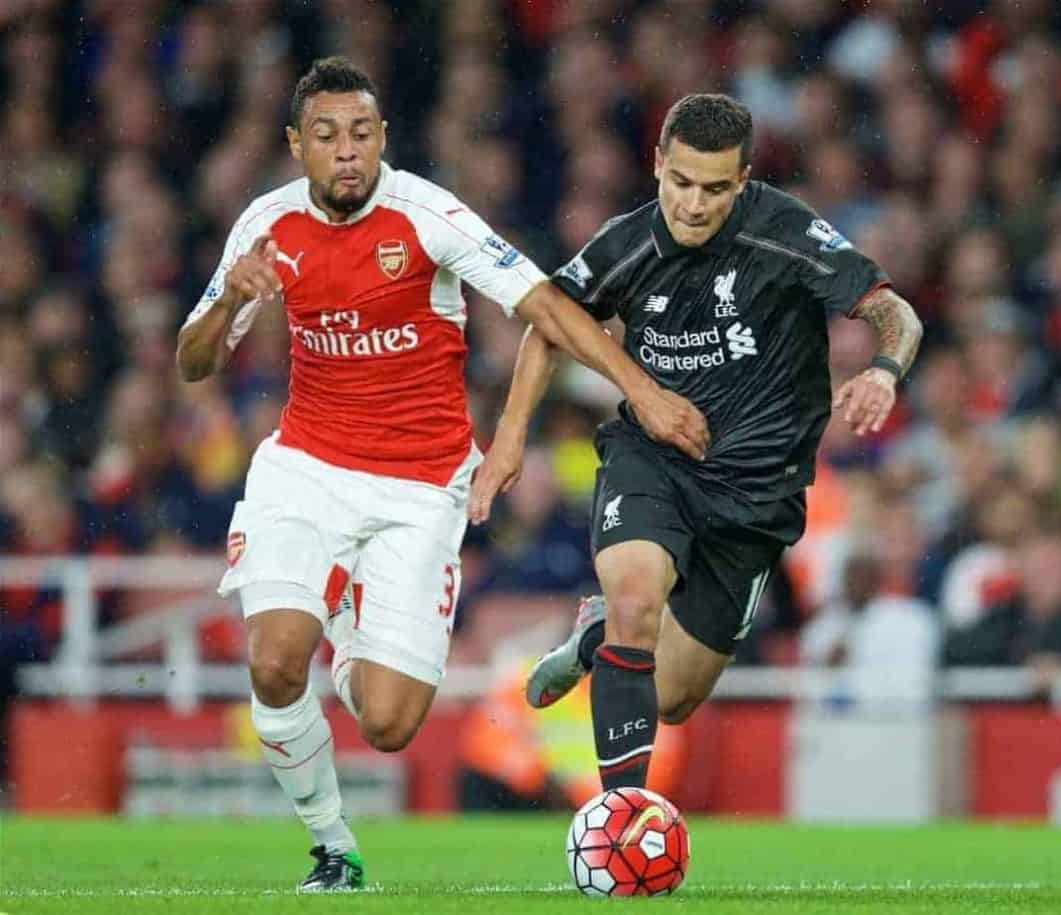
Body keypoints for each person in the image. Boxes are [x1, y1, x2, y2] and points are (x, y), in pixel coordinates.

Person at [176, 57, 708, 893]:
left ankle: (350, 614)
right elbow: (193, 363)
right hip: (305, 467)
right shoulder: (265, 227)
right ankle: (333, 846)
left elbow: (544, 306)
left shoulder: (428, 215)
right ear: (296, 145)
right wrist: (222, 304)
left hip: (421, 488)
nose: (345, 152)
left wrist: (643, 391)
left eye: (360, 133)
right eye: (325, 137)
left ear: (382, 137)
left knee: (388, 722)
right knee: (277, 659)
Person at [469, 93, 923, 792]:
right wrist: (508, 442)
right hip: (655, 461)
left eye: (715, 188)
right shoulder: (629, 242)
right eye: (679, 182)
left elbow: (896, 313)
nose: (692, 204)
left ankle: (594, 635)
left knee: (673, 696)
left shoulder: (786, 234)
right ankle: (622, 816)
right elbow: (548, 322)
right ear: (657, 165)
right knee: (637, 602)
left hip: (755, 495)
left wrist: (885, 373)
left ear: (743, 181)